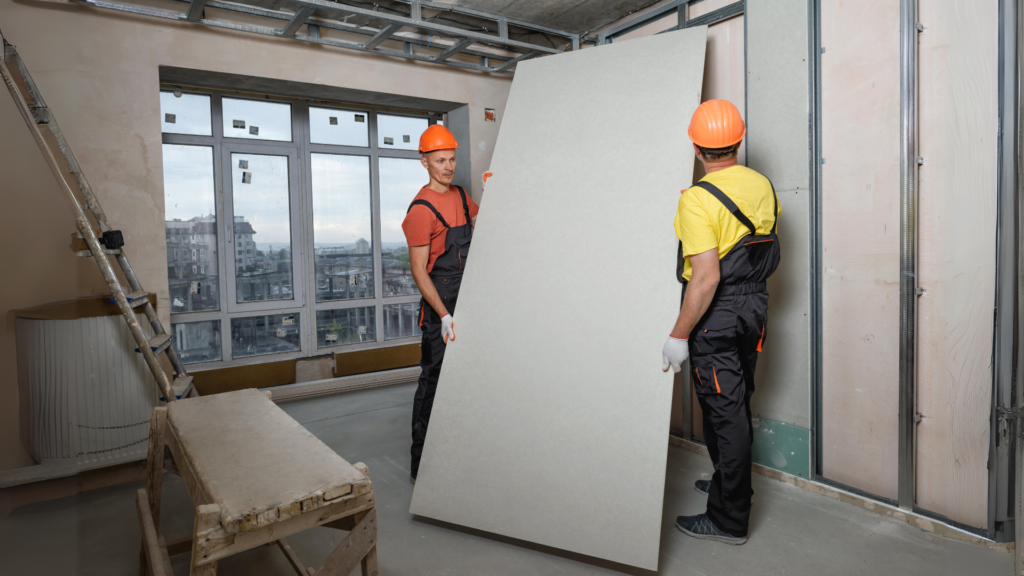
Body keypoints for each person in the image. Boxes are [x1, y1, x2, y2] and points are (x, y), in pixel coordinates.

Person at [662, 100, 781, 545]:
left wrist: (678, 334)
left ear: (696, 147)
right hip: (755, 309)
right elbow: (752, 241)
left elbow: (707, 277)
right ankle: (727, 484)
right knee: (732, 406)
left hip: (717, 315)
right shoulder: (762, 184)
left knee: (725, 415)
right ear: (738, 140)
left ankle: (729, 520)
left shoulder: (696, 201)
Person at [402, 125, 479, 484]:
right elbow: (419, 271)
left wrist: (497, 194)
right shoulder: (420, 210)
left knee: (469, 382)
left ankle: (461, 454)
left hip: (471, 298)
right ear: (424, 162)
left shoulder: (463, 197)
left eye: (451, 159)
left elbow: (489, 227)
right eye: (440, 161)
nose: (448, 167)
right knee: (433, 383)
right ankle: (423, 467)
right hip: (441, 308)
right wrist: (444, 315)